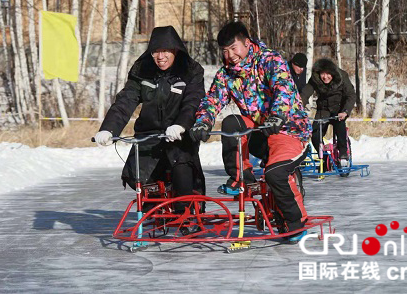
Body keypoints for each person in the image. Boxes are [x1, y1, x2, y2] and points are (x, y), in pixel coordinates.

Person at [189, 21, 312, 243]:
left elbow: (283, 89)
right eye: (225, 51)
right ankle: (241, 177)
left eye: (233, 48)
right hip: (260, 131)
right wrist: (202, 122)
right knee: (231, 123)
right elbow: (213, 100)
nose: (230, 55)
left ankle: (296, 222)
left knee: (275, 174)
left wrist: (278, 115)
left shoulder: (270, 60)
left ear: (247, 43)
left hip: (288, 130)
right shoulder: (226, 74)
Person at [94, 26, 205, 214]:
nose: (160, 56)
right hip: (149, 135)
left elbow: (193, 102)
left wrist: (181, 125)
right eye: (155, 51)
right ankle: (154, 209)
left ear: (175, 50)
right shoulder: (142, 70)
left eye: (165, 51)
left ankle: (185, 213)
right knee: (139, 173)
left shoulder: (190, 70)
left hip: (179, 135)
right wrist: (108, 129)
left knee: (182, 168)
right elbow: (125, 102)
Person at [300, 58, 356, 166]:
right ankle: (325, 158)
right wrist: (299, 107)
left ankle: (343, 152)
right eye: (322, 74)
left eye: (328, 74)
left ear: (333, 73)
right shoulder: (315, 79)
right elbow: (305, 93)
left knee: (340, 125)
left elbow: (351, 95)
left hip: (339, 109)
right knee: (315, 134)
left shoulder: (342, 76)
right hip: (323, 110)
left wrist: (345, 111)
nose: (325, 77)